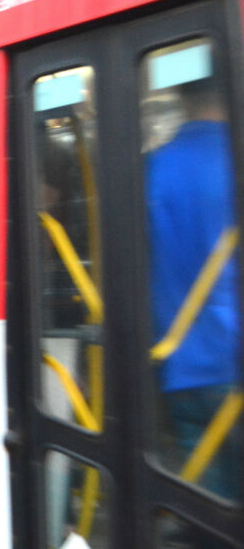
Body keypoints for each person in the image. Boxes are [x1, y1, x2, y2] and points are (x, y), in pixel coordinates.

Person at [146, 78, 241, 500]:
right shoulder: (233, 156)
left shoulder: (154, 166)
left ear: (182, 98)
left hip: (178, 368)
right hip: (232, 363)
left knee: (204, 509)